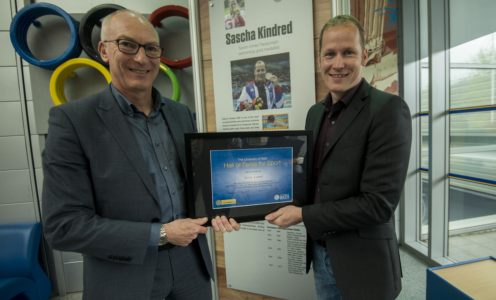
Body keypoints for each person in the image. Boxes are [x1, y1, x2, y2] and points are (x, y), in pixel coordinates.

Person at [42, 10, 239, 300]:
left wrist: (221, 210)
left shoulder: (179, 113)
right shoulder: (73, 121)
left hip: (191, 268)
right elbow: (64, 226)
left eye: (151, 48)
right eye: (128, 45)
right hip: (123, 277)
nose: (141, 58)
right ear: (104, 50)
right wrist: (160, 234)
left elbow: (195, 189)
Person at [265, 15, 411, 299]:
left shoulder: (388, 110)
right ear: (320, 60)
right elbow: (310, 181)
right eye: (329, 54)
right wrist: (256, 203)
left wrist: (303, 214)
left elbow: (378, 205)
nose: (338, 63)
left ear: (364, 56)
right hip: (321, 255)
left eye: (348, 52)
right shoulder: (315, 113)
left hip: (364, 263)